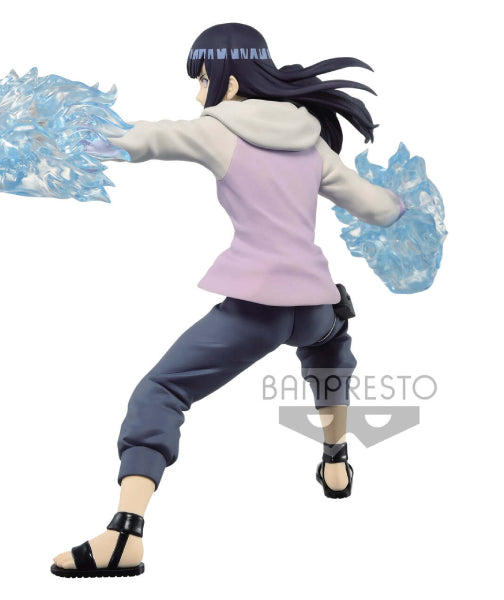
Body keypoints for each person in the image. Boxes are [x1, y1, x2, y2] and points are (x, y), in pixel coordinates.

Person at [51, 22, 405, 578]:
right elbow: (375, 206)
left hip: (257, 311)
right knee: (331, 347)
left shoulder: (218, 130)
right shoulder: (311, 141)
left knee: (161, 392)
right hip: (315, 303)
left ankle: (125, 535)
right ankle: (336, 461)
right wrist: (408, 207)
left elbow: (143, 138)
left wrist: (68, 132)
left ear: (231, 81)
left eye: (203, 80)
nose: (199, 95)